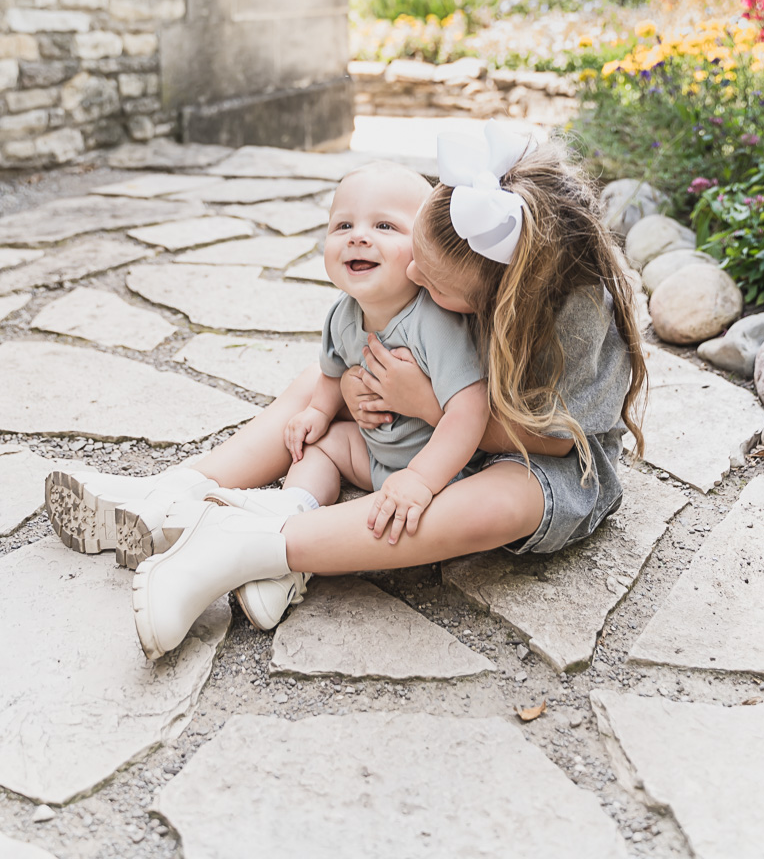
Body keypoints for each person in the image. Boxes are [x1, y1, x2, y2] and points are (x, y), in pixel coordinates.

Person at [126, 124, 647, 661]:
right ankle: (176, 488)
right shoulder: (451, 267)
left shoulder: (577, 311)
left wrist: (422, 403)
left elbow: (557, 442)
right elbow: (357, 354)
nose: (415, 274)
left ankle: (254, 543)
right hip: (435, 423)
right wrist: (355, 387)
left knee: (500, 505)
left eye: (437, 285)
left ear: (503, 294)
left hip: (533, 452)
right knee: (318, 385)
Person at [47, 160, 489, 628]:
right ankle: (287, 510)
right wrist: (319, 411)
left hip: (439, 473)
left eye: (384, 225)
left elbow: (470, 407)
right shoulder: (343, 314)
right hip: (375, 456)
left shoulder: (435, 324)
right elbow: (331, 369)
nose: (359, 236)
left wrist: (420, 479)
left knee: (378, 493)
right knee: (318, 448)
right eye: (343, 225)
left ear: (424, 252)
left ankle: (279, 558)